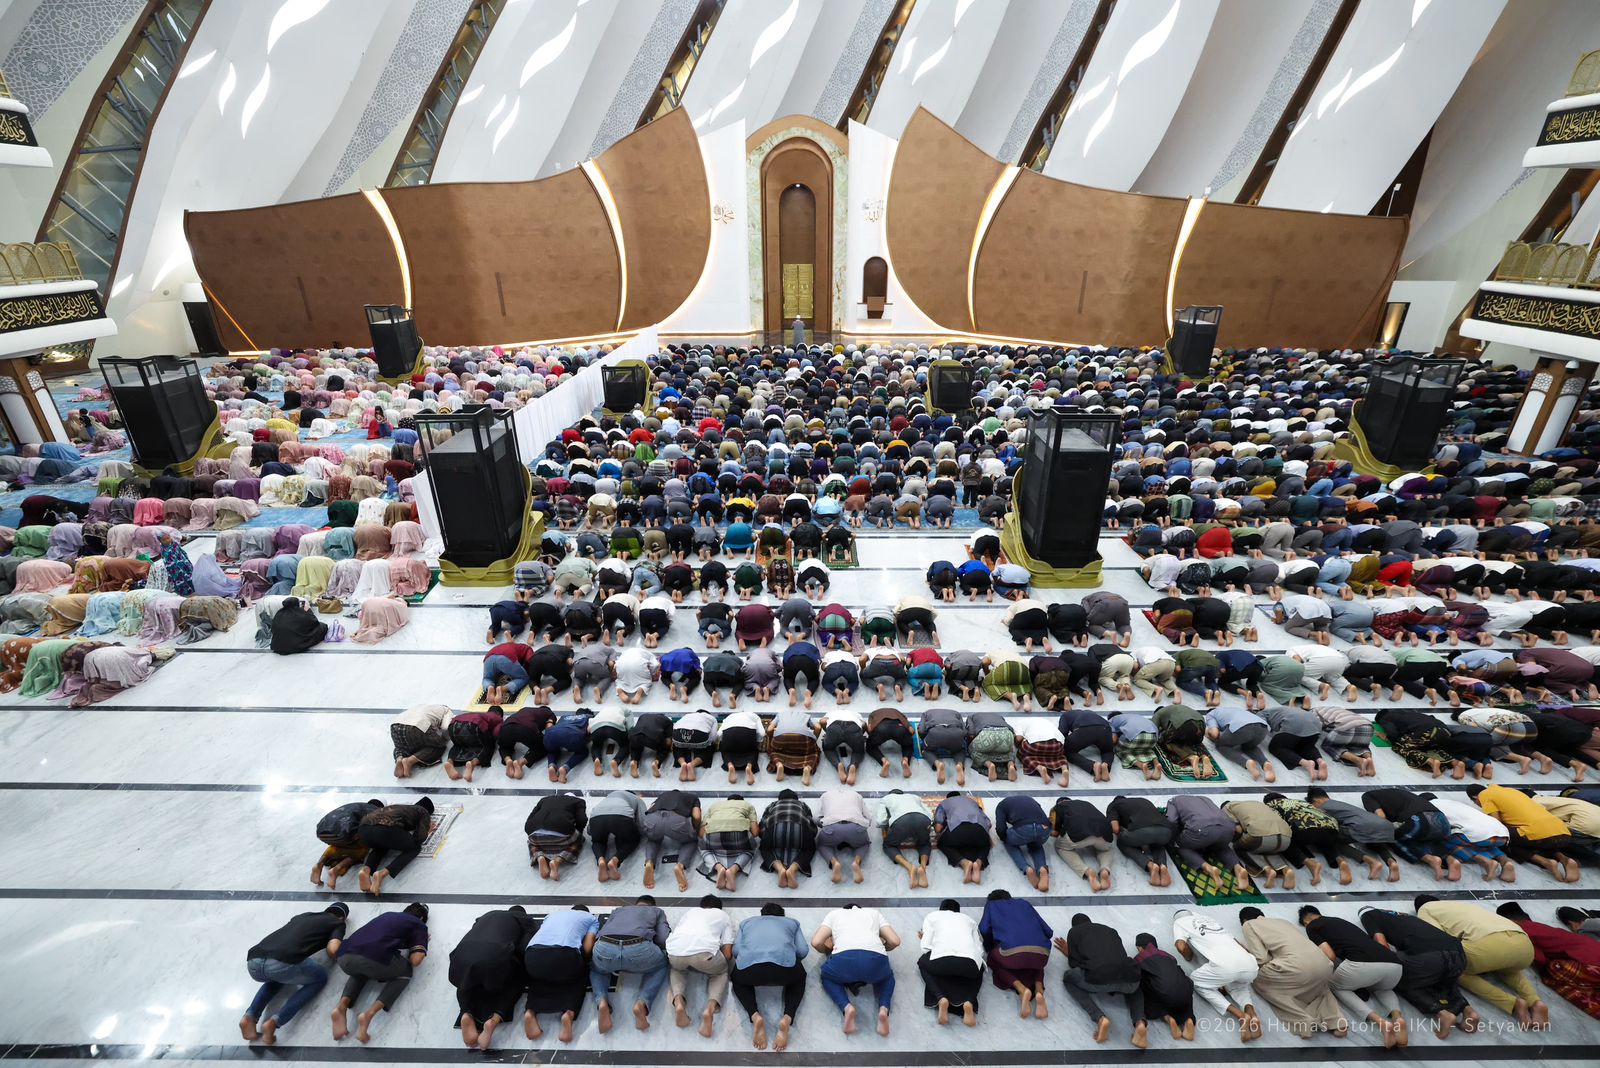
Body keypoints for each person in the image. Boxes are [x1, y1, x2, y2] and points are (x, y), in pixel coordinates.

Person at [1416, 894, 1548, 1028]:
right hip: (1524, 946)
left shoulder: (1425, 909)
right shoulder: (1462, 905)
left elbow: (1436, 936)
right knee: (1508, 969)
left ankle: (1513, 1003)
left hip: (1488, 945)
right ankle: (1536, 1002)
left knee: (1455, 968)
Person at [1297, 906, 1408, 1047]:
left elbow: (1329, 955)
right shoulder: (1339, 921)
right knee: (1382, 989)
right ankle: (1398, 1018)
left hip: (1362, 963)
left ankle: (1381, 1023)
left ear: (1305, 921)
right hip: (1394, 965)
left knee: (1335, 986)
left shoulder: (1312, 926)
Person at [1360, 905, 1478, 1037]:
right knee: (1445, 980)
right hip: (1459, 954)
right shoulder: (1406, 916)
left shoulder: (1369, 916)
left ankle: (1442, 1014)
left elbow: (1382, 946)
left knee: (1396, 976)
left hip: (1430, 957)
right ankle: (1468, 1010)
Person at [240, 903, 347, 1045]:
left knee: (277, 978)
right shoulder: (337, 923)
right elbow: (333, 949)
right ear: (342, 917)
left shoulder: (303, 915)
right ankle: (275, 1022)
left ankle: (250, 1016)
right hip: (281, 963)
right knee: (320, 978)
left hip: (254, 961)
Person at [1238, 906, 1346, 1038]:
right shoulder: (1282, 921)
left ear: (1244, 920)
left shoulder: (1248, 925)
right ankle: (1336, 1021)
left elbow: (1261, 958)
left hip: (1298, 968)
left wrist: (1244, 952)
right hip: (1325, 965)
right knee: (1319, 989)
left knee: (1257, 978)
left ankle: (1304, 1021)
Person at [331, 902, 429, 1043]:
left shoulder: (387, 914)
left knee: (361, 971)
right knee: (406, 971)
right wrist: (420, 942)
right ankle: (368, 1015)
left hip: (344, 957)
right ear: (421, 918)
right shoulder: (419, 925)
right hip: (371, 959)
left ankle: (341, 1007)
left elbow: (381, 938)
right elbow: (416, 960)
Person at [449, 906, 536, 1051]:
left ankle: (466, 1012)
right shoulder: (523, 920)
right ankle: (493, 1021)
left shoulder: (488, 914)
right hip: (494, 955)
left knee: (466, 982)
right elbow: (523, 948)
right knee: (517, 979)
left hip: (462, 955)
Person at [1495, 901, 1600, 1020]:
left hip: (1593, 967)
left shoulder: (1524, 929)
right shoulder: (1542, 928)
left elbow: (1537, 957)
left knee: (1554, 969)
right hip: (1593, 962)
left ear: (1510, 921)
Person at [1055, 913, 1148, 1047]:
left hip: (1097, 979)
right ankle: (1140, 1022)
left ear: (1074, 925)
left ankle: (1100, 1018)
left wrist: (1069, 954)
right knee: (1136, 987)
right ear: (1091, 922)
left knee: (1068, 978)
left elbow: (1074, 964)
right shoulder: (1110, 930)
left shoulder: (1074, 932)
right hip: (1128, 978)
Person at [1172, 908, 1262, 1041]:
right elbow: (1237, 943)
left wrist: (1189, 956)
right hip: (1251, 965)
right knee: (1239, 987)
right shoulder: (1210, 920)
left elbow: (1181, 946)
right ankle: (1253, 1016)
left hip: (1226, 966)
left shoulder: (1180, 922)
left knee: (1196, 982)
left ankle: (1241, 1016)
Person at [813, 904, 901, 1036]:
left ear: (845, 909)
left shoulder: (834, 914)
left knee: (827, 977)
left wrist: (829, 950)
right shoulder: (874, 913)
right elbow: (895, 941)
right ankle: (883, 1009)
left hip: (843, 960)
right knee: (887, 979)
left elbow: (816, 942)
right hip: (875, 960)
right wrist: (882, 947)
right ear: (860, 909)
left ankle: (847, 1007)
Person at [731, 903, 809, 1051]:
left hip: (750, 972)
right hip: (784, 972)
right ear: (782, 915)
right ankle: (787, 1017)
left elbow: (736, 952)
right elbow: (803, 951)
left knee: (737, 979)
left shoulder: (746, 922)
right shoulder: (792, 922)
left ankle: (755, 1016)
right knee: (799, 978)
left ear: (762, 914)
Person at [590, 894, 673, 1033]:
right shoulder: (656, 911)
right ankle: (642, 1003)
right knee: (661, 965)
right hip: (638, 948)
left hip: (605, 946)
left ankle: (602, 1002)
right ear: (652, 905)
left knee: (597, 969)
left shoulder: (618, 910)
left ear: (636, 904)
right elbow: (663, 937)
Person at [522, 906, 599, 1042]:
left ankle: (530, 1012)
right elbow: (588, 945)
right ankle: (568, 1013)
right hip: (564, 954)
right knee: (579, 976)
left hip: (533, 955)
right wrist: (584, 960)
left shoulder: (551, 915)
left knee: (539, 978)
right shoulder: (591, 919)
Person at [666, 894, 737, 1036]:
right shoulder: (723, 916)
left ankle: (679, 1002)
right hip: (704, 954)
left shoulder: (690, 912)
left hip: (675, 952)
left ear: (701, 906)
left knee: (677, 969)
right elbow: (728, 953)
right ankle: (709, 1009)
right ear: (719, 908)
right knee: (720, 973)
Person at [979, 889, 1052, 1018]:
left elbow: (984, 928)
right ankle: (1039, 991)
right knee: (1036, 960)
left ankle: (1022, 990)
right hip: (1042, 953)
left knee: (993, 959)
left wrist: (990, 945)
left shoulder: (991, 905)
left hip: (1012, 954)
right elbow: (1048, 932)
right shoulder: (1025, 903)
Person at [919, 900, 985, 1026]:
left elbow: (925, 947)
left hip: (941, 963)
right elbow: (979, 950)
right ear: (958, 911)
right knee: (980, 965)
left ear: (940, 909)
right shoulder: (969, 920)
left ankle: (941, 998)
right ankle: (969, 1001)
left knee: (922, 962)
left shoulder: (932, 916)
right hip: (968, 964)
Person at [356, 797, 434, 897]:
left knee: (381, 845)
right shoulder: (423, 812)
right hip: (384, 831)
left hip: (363, 831)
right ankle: (382, 874)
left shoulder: (398, 807)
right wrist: (426, 831)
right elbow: (419, 838)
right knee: (414, 847)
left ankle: (365, 870)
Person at [1133, 933, 1196, 1041]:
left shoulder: (1140, 957)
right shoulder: (1168, 955)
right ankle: (1189, 1020)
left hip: (1165, 994)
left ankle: (1168, 1018)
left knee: (1143, 985)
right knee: (1181, 985)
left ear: (1139, 947)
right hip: (1185, 994)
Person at [312, 800, 382, 890]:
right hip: (343, 833)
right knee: (362, 846)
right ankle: (336, 869)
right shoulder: (375, 810)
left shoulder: (356, 805)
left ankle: (319, 864)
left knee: (336, 845)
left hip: (322, 832)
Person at [758, 788, 818, 888]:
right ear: (796, 798)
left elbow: (763, 824)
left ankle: (779, 868)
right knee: (809, 849)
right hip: (799, 828)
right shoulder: (802, 805)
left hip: (775, 828)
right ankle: (793, 869)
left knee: (765, 849)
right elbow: (810, 823)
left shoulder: (773, 804)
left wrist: (765, 837)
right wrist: (810, 836)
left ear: (779, 798)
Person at [643, 789, 701, 892]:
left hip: (653, 819)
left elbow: (650, 807)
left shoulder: (663, 795)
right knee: (690, 841)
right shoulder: (693, 797)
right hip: (676, 821)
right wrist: (695, 830)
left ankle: (649, 862)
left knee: (653, 839)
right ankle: (680, 865)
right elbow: (696, 816)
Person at [699, 794, 760, 890]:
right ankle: (733, 870)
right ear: (741, 801)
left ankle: (719, 868)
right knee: (751, 848)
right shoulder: (747, 805)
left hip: (713, 836)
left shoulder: (714, 806)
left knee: (703, 848)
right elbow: (755, 832)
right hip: (739, 837)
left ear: (727, 800)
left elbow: (701, 833)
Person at [995, 793, 1053, 891]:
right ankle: (1042, 869)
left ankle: (1026, 868)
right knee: (1035, 844)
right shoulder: (1030, 799)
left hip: (1023, 828)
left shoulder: (1001, 806)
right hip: (1044, 828)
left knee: (1008, 841)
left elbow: (1001, 829)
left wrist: (1004, 837)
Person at [525, 791, 587, 881]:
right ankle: (557, 861)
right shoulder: (578, 801)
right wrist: (577, 832)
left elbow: (530, 818)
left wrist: (530, 831)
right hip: (561, 835)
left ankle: (539, 857)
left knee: (531, 841)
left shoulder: (545, 799)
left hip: (536, 834)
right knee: (579, 840)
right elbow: (582, 819)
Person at [816, 785, 872, 884]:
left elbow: (816, 817)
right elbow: (869, 817)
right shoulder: (857, 795)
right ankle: (856, 862)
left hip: (832, 828)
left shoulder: (825, 795)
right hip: (855, 827)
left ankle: (834, 863)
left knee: (823, 844)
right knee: (864, 844)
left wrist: (824, 826)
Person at [878, 788, 933, 888]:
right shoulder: (914, 797)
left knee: (888, 845)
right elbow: (929, 813)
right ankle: (923, 867)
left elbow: (881, 820)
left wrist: (885, 828)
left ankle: (909, 867)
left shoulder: (886, 798)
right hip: (922, 819)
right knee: (924, 843)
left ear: (891, 794)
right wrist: (928, 825)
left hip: (901, 822)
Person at [934, 791, 993, 884]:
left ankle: (964, 863)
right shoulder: (973, 802)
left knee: (943, 844)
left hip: (958, 830)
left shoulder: (944, 804)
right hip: (979, 830)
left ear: (947, 798)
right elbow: (988, 824)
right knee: (986, 845)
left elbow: (938, 828)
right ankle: (978, 862)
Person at [589, 788, 645, 883]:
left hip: (596, 817)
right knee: (631, 841)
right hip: (621, 816)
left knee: (598, 841)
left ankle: (601, 860)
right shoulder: (636, 798)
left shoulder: (608, 797)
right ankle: (614, 861)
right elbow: (642, 821)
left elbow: (590, 831)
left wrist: (594, 833)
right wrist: (635, 832)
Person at [390, 702, 452, 779]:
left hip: (395, 726)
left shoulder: (422, 706)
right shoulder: (447, 711)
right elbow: (445, 727)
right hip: (418, 726)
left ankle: (399, 758)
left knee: (401, 747)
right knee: (439, 746)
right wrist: (444, 738)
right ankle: (410, 761)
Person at [443, 704, 502, 782]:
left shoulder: (480, 714)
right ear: (500, 714)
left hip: (453, 725)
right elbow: (496, 733)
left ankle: (450, 762)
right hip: (474, 725)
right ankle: (472, 764)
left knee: (458, 745)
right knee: (489, 746)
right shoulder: (498, 717)